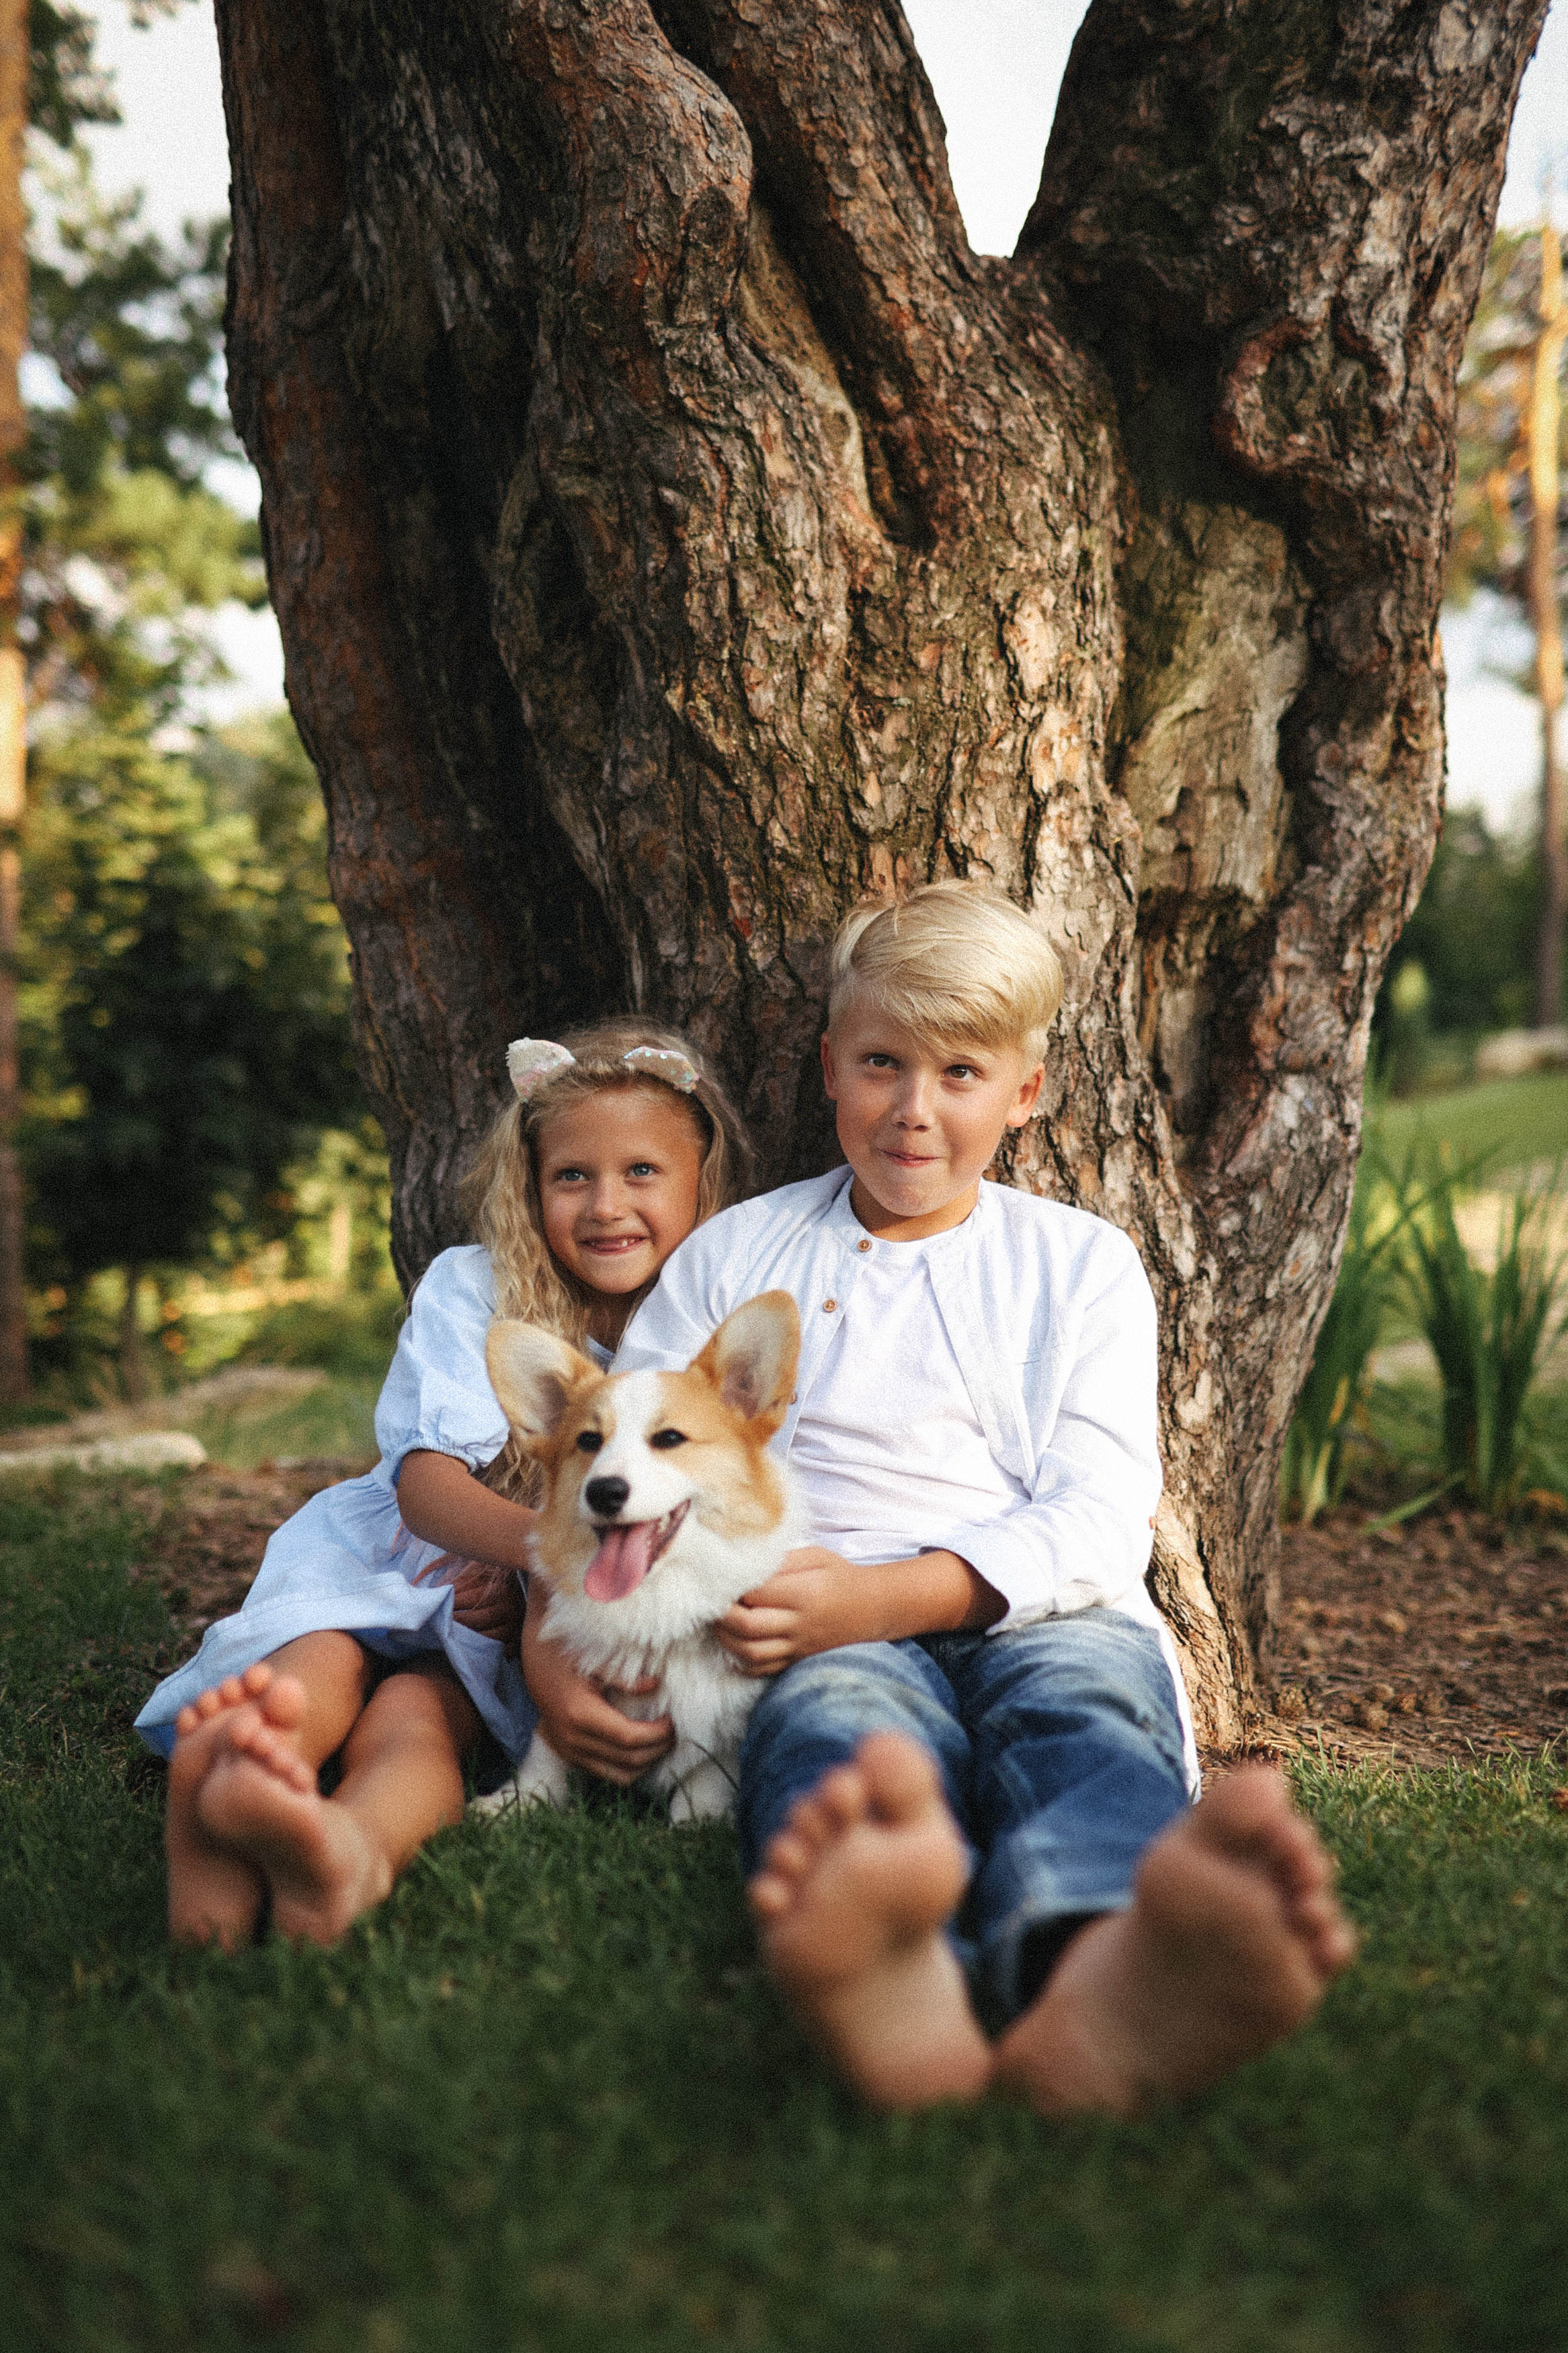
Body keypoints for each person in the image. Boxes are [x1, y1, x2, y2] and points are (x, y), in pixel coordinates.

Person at [605, 883, 1356, 2114]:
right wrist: (575, 1648)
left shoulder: (1077, 1265)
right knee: (842, 1730)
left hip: (1043, 1608)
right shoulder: (736, 1255)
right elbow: (634, 1460)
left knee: (1082, 1715)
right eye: (881, 1065)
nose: (914, 1109)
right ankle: (892, 1959)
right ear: (830, 1067)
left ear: (1026, 1092)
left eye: (959, 1073)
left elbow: (1100, 1513)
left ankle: (1102, 1956)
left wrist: (891, 1595)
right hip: (816, 1614)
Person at [135, 1021, 751, 1950]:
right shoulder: (477, 1287)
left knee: (420, 1719)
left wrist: (538, 1587)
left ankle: (348, 1850)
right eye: (571, 1176)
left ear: (703, 1183)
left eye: (641, 1172)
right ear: (529, 1187)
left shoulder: (698, 1329)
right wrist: (542, 1556)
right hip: (397, 1561)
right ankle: (244, 1774)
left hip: (494, 1624)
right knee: (320, 1666)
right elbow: (425, 1485)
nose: (605, 1206)